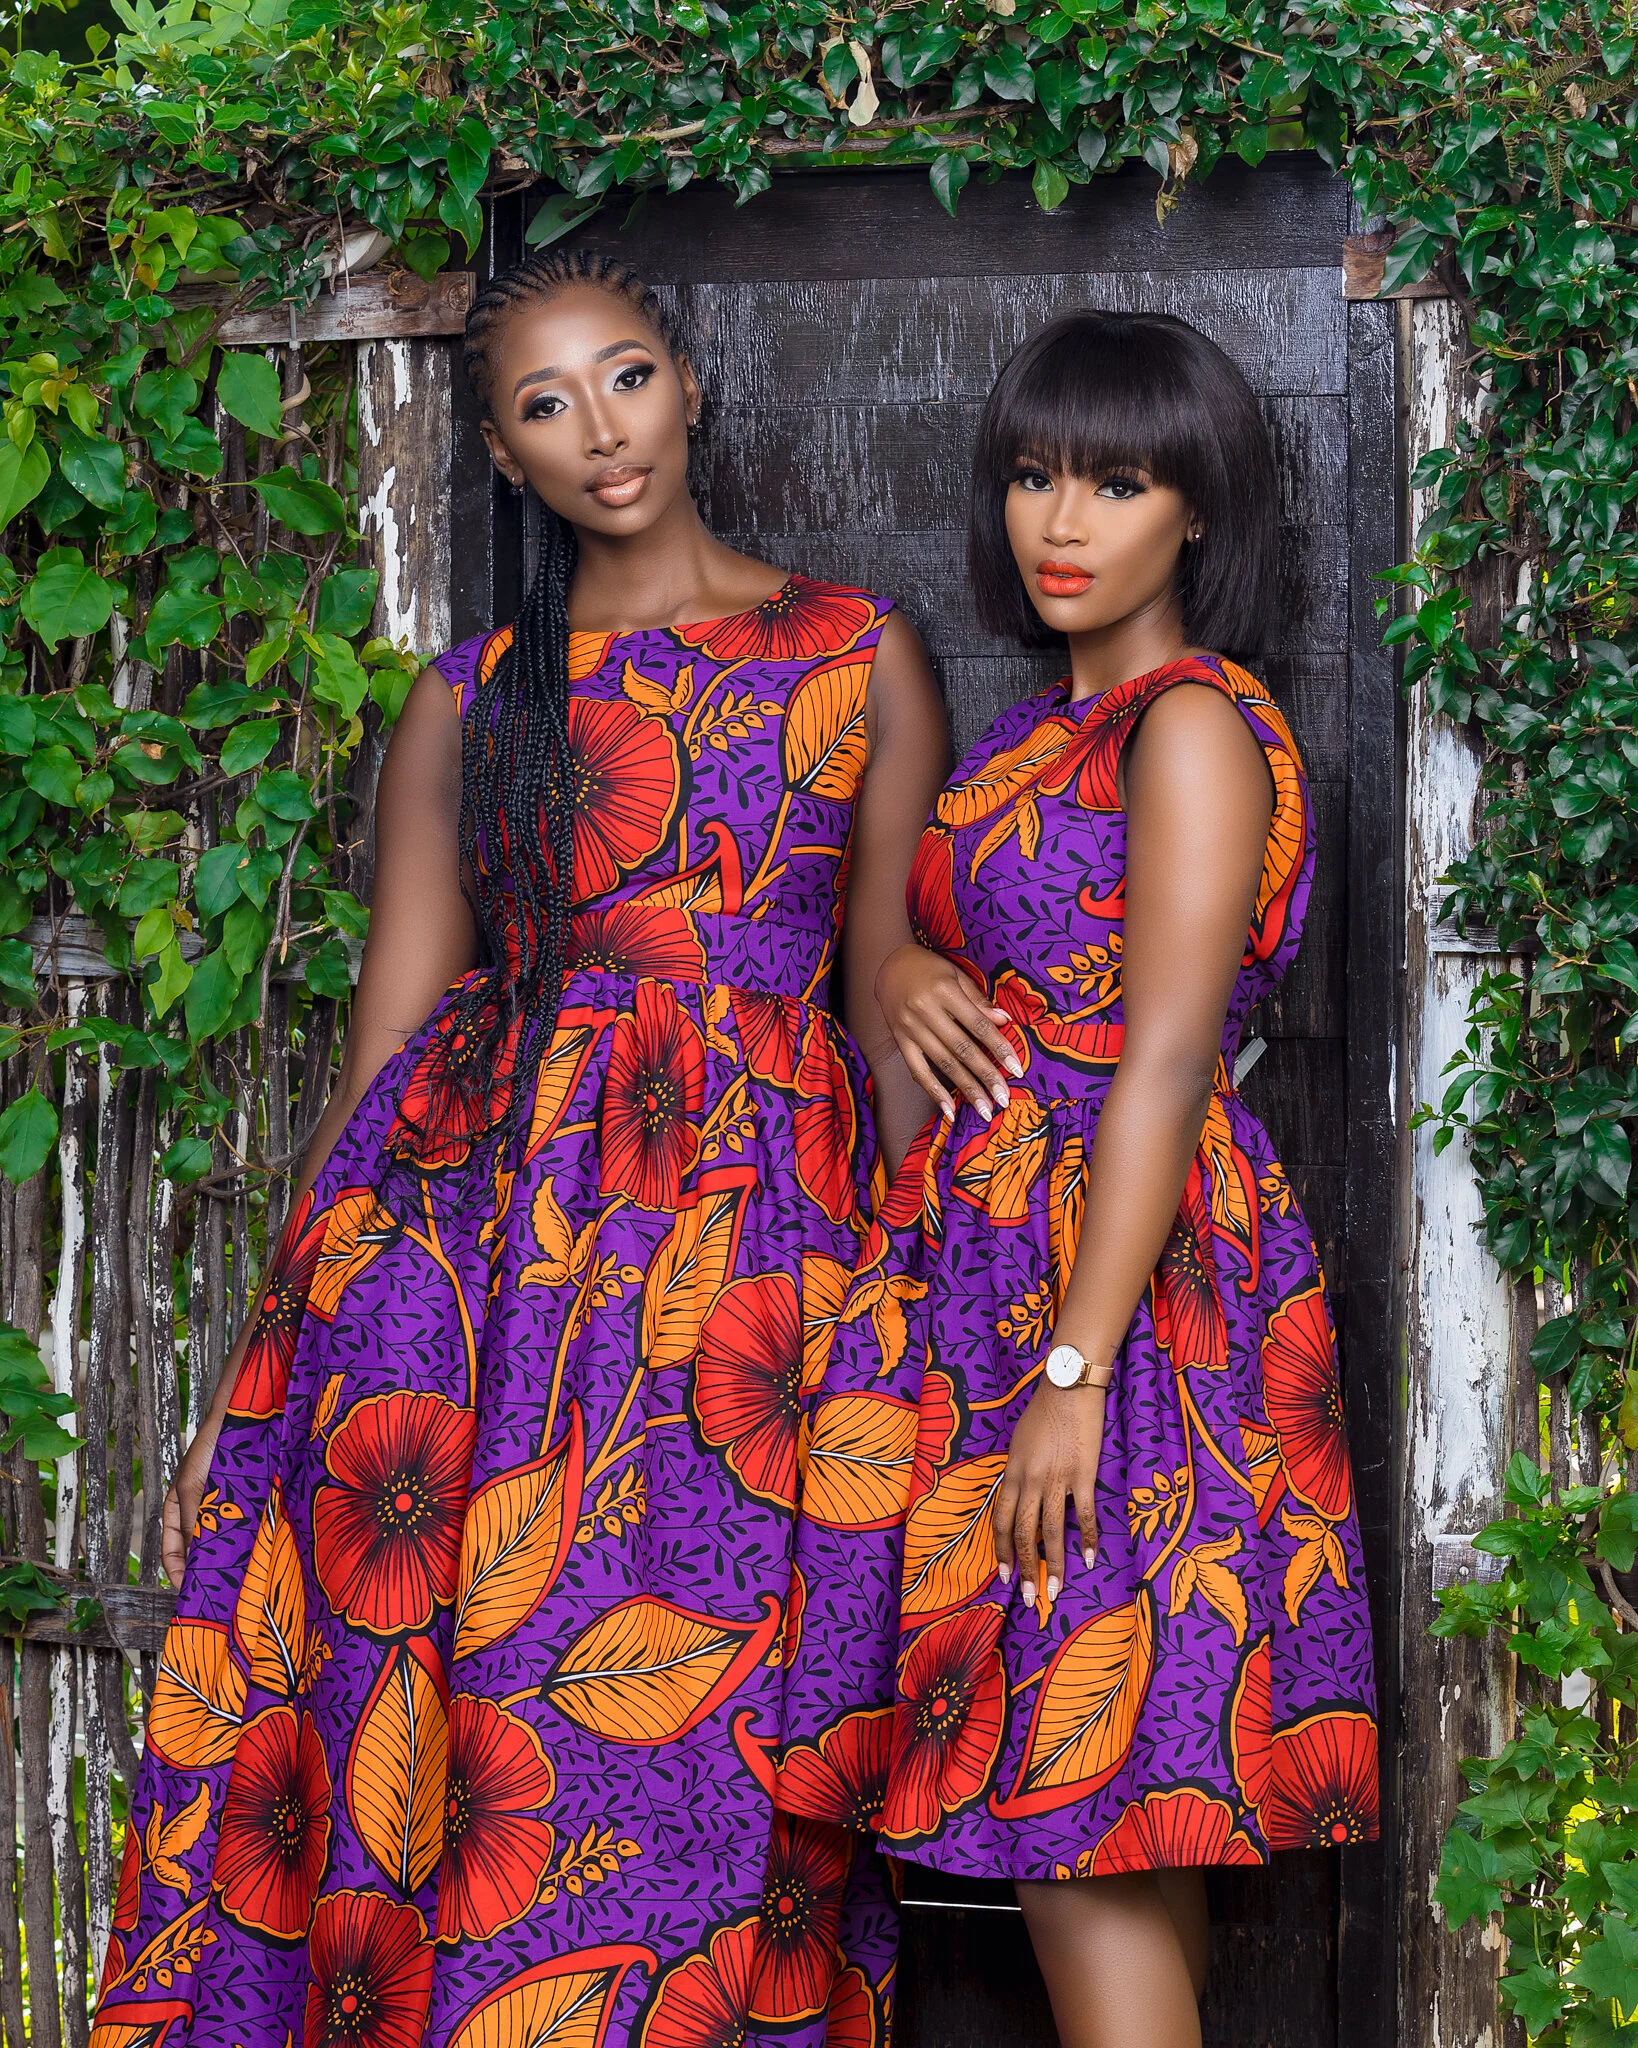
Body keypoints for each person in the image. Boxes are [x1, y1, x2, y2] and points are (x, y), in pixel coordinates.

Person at [92, 249, 947, 2048]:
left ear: (690, 387)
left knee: (709, 1752)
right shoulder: (471, 699)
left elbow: (875, 987)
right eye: (546, 405)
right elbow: (389, 1043)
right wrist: (253, 1369)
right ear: (502, 453)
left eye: (624, 378)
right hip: (476, 1284)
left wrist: (939, 1286)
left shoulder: (856, 650)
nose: (599, 430)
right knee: (474, 1746)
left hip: (749, 1279)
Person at [779, 310, 1378, 2048]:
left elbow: (1168, 1062)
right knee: (1107, 1812)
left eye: (1115, 483)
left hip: (1125, 1309)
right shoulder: (1043, 734)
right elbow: (935, 976)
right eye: (1036, 475)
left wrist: (1071, 1374)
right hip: (998, 1290)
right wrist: (892, 968)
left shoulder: (1187, 723)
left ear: (1193, 512)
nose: (1062, 519)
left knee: (1076, 1809)